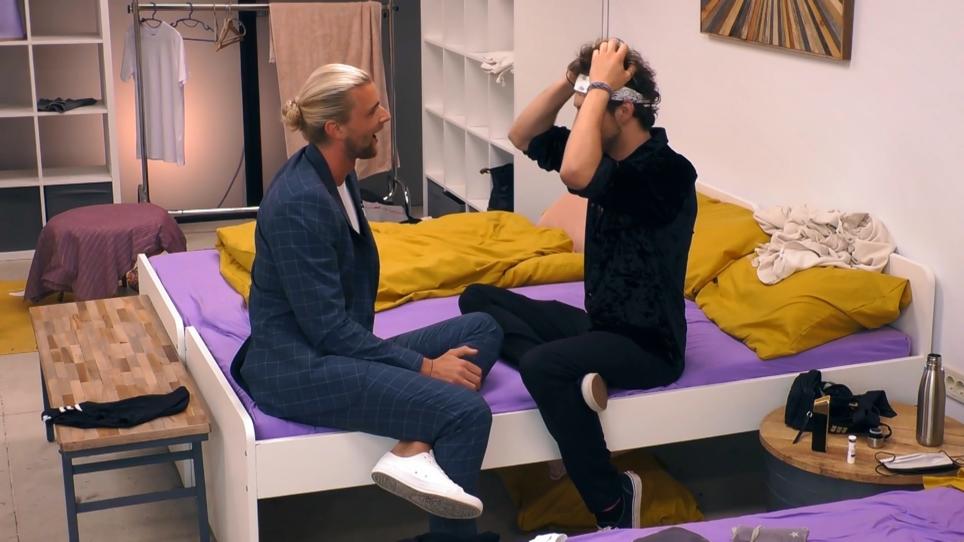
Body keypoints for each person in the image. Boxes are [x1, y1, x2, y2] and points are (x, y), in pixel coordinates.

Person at [231, 64, 503, 540]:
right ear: (335, 128)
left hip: (335, 348)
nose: (385, 116)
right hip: (298, 369)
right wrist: (425, 368)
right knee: (465, 412)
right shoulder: (300, 202)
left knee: (484, 327)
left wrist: (417, 374)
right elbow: (327, 331)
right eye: (372, 110)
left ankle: (411, 448)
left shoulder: (339, 176)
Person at [458, 39, 697, 530]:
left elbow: (575, 171)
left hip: (650, 346)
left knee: (542, 365)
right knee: (476, 297)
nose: (579, 115)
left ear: (624, 110)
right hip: (601, 327)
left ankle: (612, 502)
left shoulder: (667, 172)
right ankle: (575, 389)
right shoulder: (608, 153)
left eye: (589, 107)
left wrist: (600, 85)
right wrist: (575, 79)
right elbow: (522, 134)